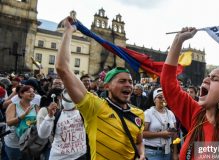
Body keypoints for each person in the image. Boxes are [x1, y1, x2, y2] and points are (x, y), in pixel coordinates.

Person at [55, 17, 145, 160]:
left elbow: (139, 141)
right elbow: (62, 68)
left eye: (130, 81)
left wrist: (141, 154)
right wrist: (68, 31)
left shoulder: (139, 114)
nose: (128, 84)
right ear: (107, 86)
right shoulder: (94, 106)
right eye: (122, 81)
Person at [160, 27, 219, 159]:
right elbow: (168, 84)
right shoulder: (196, 116)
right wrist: (178, 41)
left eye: (215, 79)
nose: (206, 79)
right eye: (208, 76)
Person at [38, 90, 87, 160]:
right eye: (65, 97)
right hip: (59, 157)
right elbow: (42, 134)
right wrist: (49, 116)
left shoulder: (83, 113)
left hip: (80, 156)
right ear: (60, 98)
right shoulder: (56, 114)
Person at [4, 85, 40, 160]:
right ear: (21, 94)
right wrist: (23, 115)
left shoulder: (35, 106)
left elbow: (39, 122)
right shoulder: (13, 105)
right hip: (14, 144)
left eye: (33, 92)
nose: (32, 93)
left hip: (29, 143)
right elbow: (9, 123)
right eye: (28, 92)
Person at [143, 88, 177, 160]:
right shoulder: (148, 113)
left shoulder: (171, 113)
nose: (163, 99)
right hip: (152, 153)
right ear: (154, 100)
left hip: (167, 152)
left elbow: (175, 134)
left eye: (165, 97)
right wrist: (161, 134)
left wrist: (175, 153)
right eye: (160, 97)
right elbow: (142, 133)